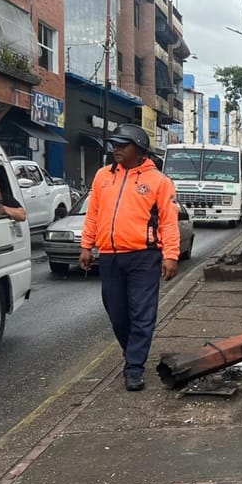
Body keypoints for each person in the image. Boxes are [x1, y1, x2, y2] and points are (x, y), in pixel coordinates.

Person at [79, 124, 181, 391]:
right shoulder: (102, 176)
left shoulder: (158, 181)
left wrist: (170, 255)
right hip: (110, 257)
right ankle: (133, 351)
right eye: (115, 144)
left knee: (142, 314)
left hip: (144, 257)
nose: (117, 149)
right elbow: (93, 214)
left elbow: (169, 222)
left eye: (123, 145)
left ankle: (134, 367)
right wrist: (86, 245)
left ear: (139, 149)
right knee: (117, 313)